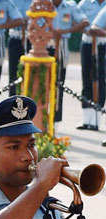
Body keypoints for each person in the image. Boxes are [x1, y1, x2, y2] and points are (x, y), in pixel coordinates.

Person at [50, 0, 88, 128]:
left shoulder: (70, 5)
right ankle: (39, 118)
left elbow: (84, 22)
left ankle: (55, 120)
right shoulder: (42, 4)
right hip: (43, 43)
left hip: (61, 44)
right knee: (41, 82)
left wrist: (66, 31)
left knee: (59, 82)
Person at [77, 0, 106, 131]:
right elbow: (76, 20)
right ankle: (86, 119)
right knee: (86, 78)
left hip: (102, 43)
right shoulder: (85, 3)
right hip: (87, 42)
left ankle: (96, 119)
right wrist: (86, 29)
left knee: (100, 79)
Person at [7, 0, 30, 97]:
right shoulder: (11, 1)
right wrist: (18, 22)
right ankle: (12, 103)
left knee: (30, 73)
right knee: (14, 73)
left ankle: (29, 101)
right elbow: (4, 18)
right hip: (15, 37)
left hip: (31, 39)